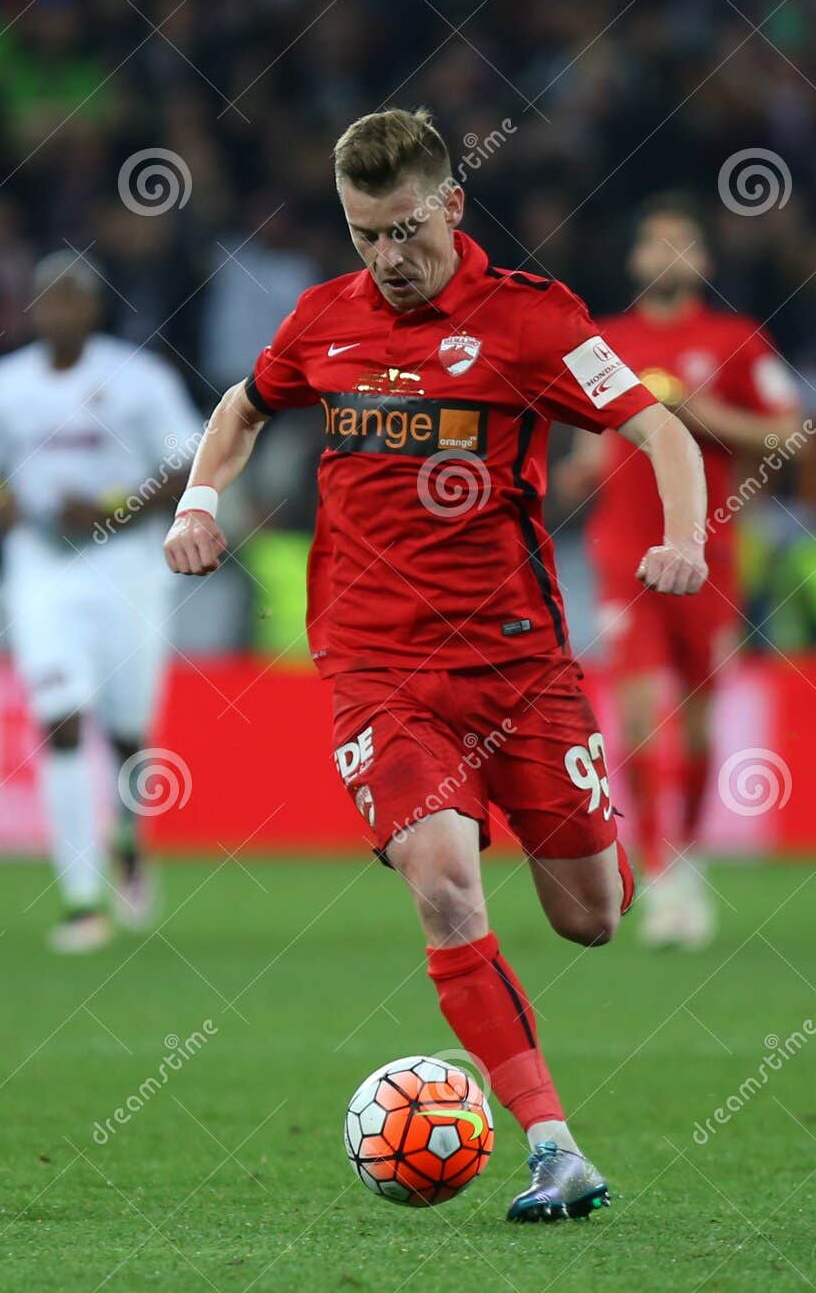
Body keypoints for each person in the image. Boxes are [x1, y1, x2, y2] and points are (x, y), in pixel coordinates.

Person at [164, 109, 709, 1223]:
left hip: (518, 666)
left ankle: (587, 845)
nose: (387, 258)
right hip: (378, 670)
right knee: (446, 886)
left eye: (404, 230)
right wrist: (197, 501)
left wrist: (685, 538)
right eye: (364, 235)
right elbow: (242, 407)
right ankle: (553, 1145)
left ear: (451, 205)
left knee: (590, 915)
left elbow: (660, 432)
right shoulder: (324, 320)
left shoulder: (529, 319)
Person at [558, 197, 800, 949]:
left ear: (702, 262)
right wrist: (581, 469)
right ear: (635, 262)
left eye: (680, 245)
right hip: (623, 553)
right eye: (653, 245)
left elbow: (792, 434)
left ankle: (688, 857)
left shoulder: (737, 343)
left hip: (709, 554)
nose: (665, 257)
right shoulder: (606, 341)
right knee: (631, 718)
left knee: (697, 721)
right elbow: (592, 442)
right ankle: (654, 867)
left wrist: (702, 418)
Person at [0, 250, 202, 955]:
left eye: (73, 299)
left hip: (126, 563)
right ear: (33, 308)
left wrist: (112, 505)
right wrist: (11, 513)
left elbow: (190, 460)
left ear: (94, 309)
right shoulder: (3, 385)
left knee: (128, 730)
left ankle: (130, 842)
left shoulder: (139, 380)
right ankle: (80, 900)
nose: (60, 312)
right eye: (48, 300)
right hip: (43, 568)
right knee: (60, 717)